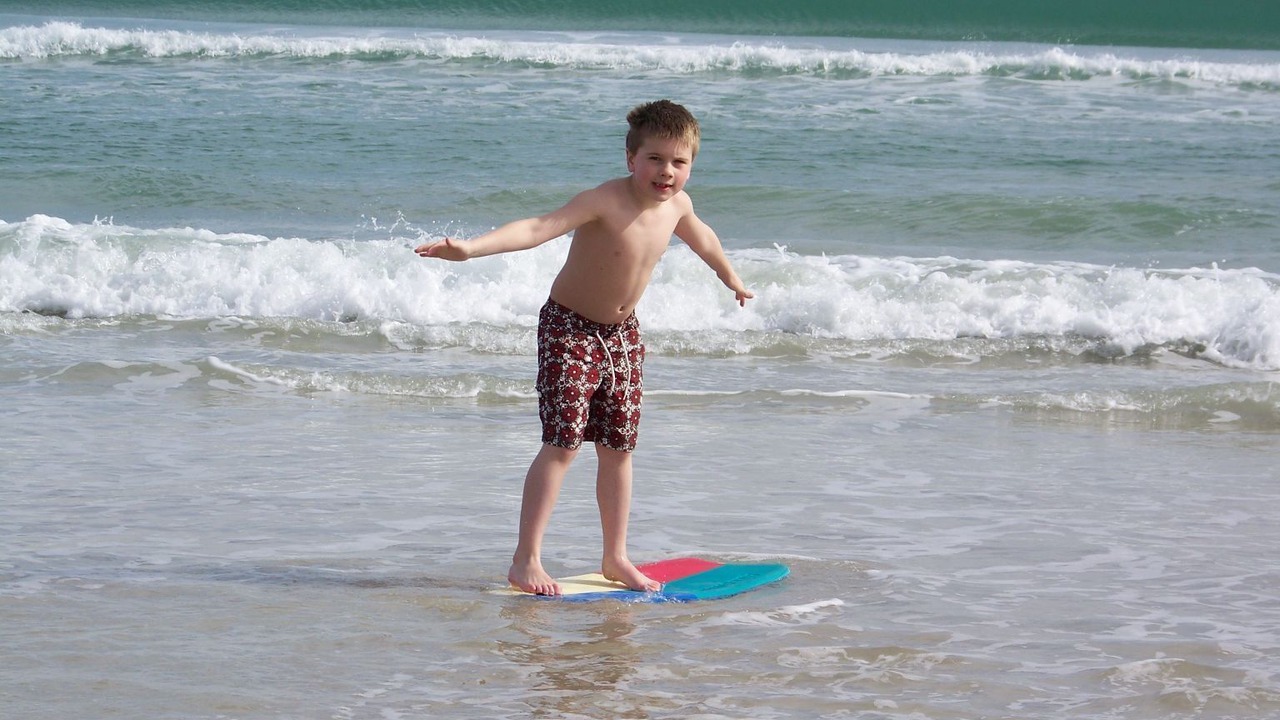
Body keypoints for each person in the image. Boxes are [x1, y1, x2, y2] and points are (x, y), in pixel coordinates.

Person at [414, 100, 753, 595]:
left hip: (623, 336)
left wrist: (731, 277)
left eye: (679, 162)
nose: (666, 171)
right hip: (568, 330)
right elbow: (537, 228)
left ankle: (615, 557)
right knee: (563, 444)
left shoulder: (678, 206)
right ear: (630, 158)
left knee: (619, 448)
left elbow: (703, 238)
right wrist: (469, 249)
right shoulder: (603, 200)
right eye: (655, 158)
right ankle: (526, 560)